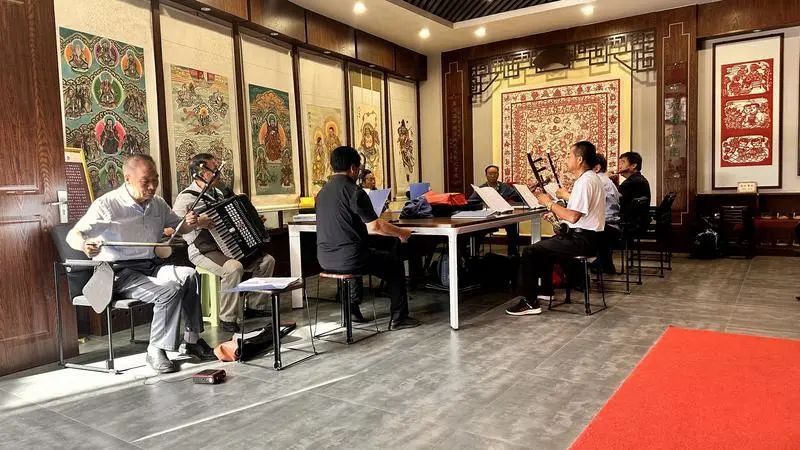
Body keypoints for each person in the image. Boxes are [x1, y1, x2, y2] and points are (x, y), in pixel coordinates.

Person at [67, 154, 215, 373]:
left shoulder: (158, 204)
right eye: (146, 181)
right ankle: (155, 349)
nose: (152, 187)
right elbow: (73, 235)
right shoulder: (108, 204)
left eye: (155, 180)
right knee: (168, 291)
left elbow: (179, 227)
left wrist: (190, 223)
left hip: (150, 265)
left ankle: (192, 340)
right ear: (127, 179)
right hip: (118, 273)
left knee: (189, 275)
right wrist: (84, 245)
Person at [316, 146, 420, 330]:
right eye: (358, 169)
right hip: (351, 258)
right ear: (353, 168)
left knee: (363, 253)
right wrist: (401, 233)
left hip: (324, 258)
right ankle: (399, 318)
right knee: (395, 266)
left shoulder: (322, 192)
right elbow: (375, 226)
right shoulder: (354, 191)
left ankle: (352, 310)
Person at [172, 153, 277, 333]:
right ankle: (227, 318)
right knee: (234, 268)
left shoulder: (220, 191)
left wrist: (252, 220)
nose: (219, 173)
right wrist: (197, 222)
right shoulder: (186, 198)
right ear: (202, 173)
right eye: (215, 169)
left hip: (229, 244)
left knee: (267, 261)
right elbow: (174, 227)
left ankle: (255, 307)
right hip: (203, 249)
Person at [505, 141, 606, 316]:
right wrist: (556, 215)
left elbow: (573, 216)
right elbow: (579, 216)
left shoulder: (585, 181)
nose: (567, 159)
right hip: (590, 238)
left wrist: (549, 203)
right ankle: (546, 290)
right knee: (545, 247)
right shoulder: (591, 178)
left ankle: (529, 302)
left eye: (569, 156)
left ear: (579, 159)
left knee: (530, 251)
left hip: (582, 240)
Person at [469, 164, 522, 256]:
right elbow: (471, 201)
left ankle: (512, 253)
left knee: (512, 225)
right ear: (486, 175)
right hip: (488, 218)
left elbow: (517, 196)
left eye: (495, 173)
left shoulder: (504, 187)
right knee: (477, 229)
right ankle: (474, 254)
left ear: (498, 174)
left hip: (503, 216)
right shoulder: (481, 188)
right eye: (490, 174)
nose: (493, 175)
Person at [614, 151, 651, 231]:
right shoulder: (638, 179)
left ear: (634, 165)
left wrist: (607, 179)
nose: (619, 166)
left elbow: (613, 197)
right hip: (637, 222)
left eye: (623, 162)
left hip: (630, 224)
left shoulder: (633, 181)